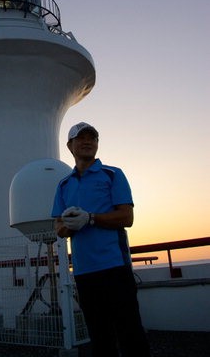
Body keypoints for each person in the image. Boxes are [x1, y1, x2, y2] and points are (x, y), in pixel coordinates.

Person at [52, 122, 150, 357]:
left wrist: (90, 218)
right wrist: (69, 225)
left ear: (97, 144)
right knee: (100, 336)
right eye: (81, 138)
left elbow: (127, 216)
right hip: (84, 272)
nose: (88, 142)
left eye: (92, 138)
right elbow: (57, 226)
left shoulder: (112, 174)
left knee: (130, 333)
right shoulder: (64, 185)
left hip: (115, 267)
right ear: (70, 145)